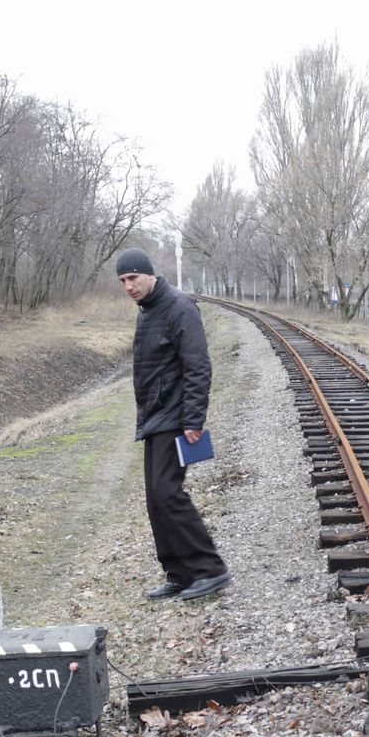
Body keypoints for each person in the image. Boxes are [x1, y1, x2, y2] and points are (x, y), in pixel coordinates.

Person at [116, 247, 232, 601]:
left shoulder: (179, 306)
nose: (128, 287)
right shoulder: (148, 310)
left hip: (176, 417)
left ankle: (210, 568)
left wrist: (194, 419)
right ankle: (179, 573)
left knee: (169, 494)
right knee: (156, 499)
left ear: (149, 274)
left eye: (133, 278)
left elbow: (198, 367)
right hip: (155, 416)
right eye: (122, 281)